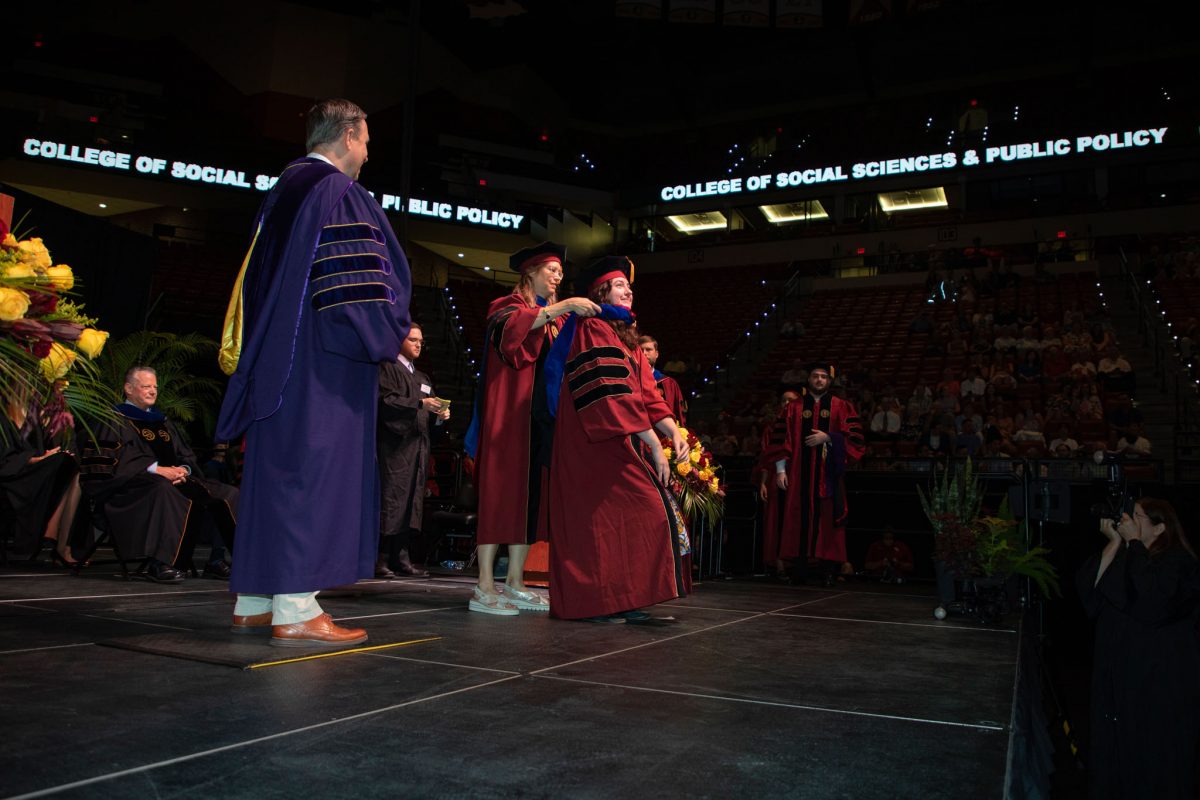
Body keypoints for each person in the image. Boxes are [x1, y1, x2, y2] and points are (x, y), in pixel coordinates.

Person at [215, 98, 412, 646]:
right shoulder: (338, 194)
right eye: (367, 141)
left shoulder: (282, 190)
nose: (368, 154)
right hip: (322, 363)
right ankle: (297, 609)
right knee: (310, 470)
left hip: (279, 356)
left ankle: (257, 598)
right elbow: (358, 290)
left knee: (276, 472)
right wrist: (384, 332)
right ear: (347, 135)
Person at [544, 255, 690, 623]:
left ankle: (626, 598)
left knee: (631, 519)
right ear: (600, 291)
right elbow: (611, 395)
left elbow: (646, 392)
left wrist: (673, 431)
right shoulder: (591, 327)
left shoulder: (625, 335)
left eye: (629, 285)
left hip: (617, 440)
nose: (629, 289)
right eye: (620, 284)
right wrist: (654, 444)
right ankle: (592, 601)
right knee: (604, 522)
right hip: (590, 443)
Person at [465, 241, 600, 615]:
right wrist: (566, 305)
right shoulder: (505, 307)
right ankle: (484, 585)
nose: (558, 277)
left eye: (560, 272)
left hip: (538, 419)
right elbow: (512, 337)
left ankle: (514, 582)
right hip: (508, 420)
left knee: (530, 500)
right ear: (530, 273)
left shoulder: (553, 320)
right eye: (551, 270)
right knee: (500, 497)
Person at [1077, 498, 1200, 799]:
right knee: (1116, 749)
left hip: (1157, 680)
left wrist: (1133, 543)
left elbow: (1153, 604)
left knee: (1154, 754)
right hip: (1119, 672)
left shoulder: (1178, 563)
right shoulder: (1130, 555)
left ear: (1159, 527)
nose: (1129, 519)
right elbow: (1089, 592)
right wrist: (1116, 543)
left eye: (1138, 517)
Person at [80, 366, 239, 582]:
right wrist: (157, 469)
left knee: (227, 494)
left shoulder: (162, 421)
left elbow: (185, 454)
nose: (153, 391)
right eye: (146, 386)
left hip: (176, 480)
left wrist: (184, 469)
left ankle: (220, 561)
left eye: (155, 386)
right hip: (132, 489)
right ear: (128, 388)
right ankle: (163, 563)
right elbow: (108, 464)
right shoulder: (113, 419)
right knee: (165, 490)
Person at [770, 362, 866, 585]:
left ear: (829, 381)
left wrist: (830, 437)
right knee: (798, 518)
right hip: (798, 475)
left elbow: (856, 440)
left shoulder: (842, 407)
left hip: (827, 476)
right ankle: (800, 568)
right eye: (816, 376)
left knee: (827, 519)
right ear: (809, 379)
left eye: (824, 377)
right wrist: (780, 471)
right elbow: (780, 440)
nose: (820, 380)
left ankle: (827, 570)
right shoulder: (793, 408)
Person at [376, 322, 448, 579]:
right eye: (413, 340)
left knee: (412, 502)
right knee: (392, 499)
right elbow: (386, 402)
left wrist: (439, 415)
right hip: (395, 448)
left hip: (418, 447)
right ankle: (382, 556)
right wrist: (419, 402)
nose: (419, 344)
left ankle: (402, 555)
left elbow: (427, 413)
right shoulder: (388, 369)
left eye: (421, 341)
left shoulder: (422, 378)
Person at [1, 400, 81, 565]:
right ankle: (52, 538)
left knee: (69, 463)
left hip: (33, 470)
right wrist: (34, 459)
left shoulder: (39, 409)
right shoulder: (4, 408)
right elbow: (5, 456)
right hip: (11, 475)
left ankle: (57, 540)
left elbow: (53, 444)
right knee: (62, 463)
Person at [638, 334, 687, 425]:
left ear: (657, 354)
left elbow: (679, 414)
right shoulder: (629, 381)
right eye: (640, 350)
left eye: (648, 350)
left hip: (665, 436)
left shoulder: (669, 384)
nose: (644, 353)